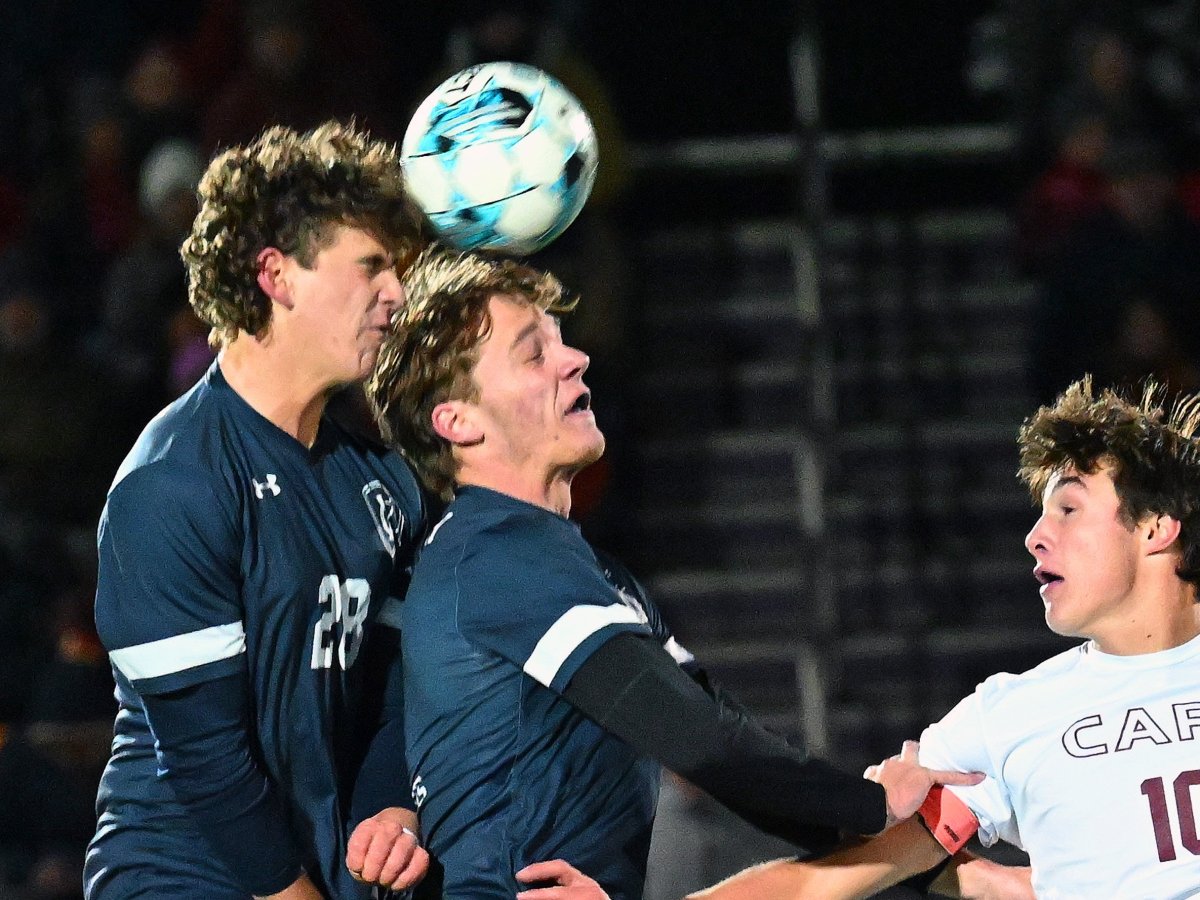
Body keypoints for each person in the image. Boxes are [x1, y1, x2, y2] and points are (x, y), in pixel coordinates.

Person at [363, 247, 981, 899]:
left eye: (561, 341)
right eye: (534, 354)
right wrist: (873, 805)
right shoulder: (496, 556)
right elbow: (693, 737)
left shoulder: (582, 570)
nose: (575, 359)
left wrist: (921, 854)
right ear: (458, 422)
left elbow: (720, 739)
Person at [84, 121, 432, 900]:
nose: (397, 294)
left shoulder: (383, 483)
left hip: (314, 871)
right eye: (371, 266)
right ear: (276, 274)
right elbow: (207, 763)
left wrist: (392, 805)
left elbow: (392, 684)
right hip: (183, 879)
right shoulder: (173, 483)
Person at [688, 376, 1200, 899]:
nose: (1035, 537)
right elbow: (817, 884)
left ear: (1157, 527)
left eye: (1068, 510)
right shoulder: (1006, 718)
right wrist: (987, 879)